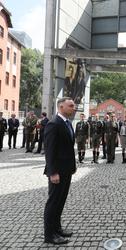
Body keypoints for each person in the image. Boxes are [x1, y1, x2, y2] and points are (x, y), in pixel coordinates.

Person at [43, 97, 76, 244]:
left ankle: (57, 229)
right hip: (57, 172)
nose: (73, 108)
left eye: (73, 106)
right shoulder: (53, 124)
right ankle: (49, 235)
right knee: (53, 202)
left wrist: (71, 167)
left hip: (66, 170)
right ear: (61, 107)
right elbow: (50, 151)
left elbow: (67, 148)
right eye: (70, 106)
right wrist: (53, 172)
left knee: (61, 201)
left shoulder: (67, 123)